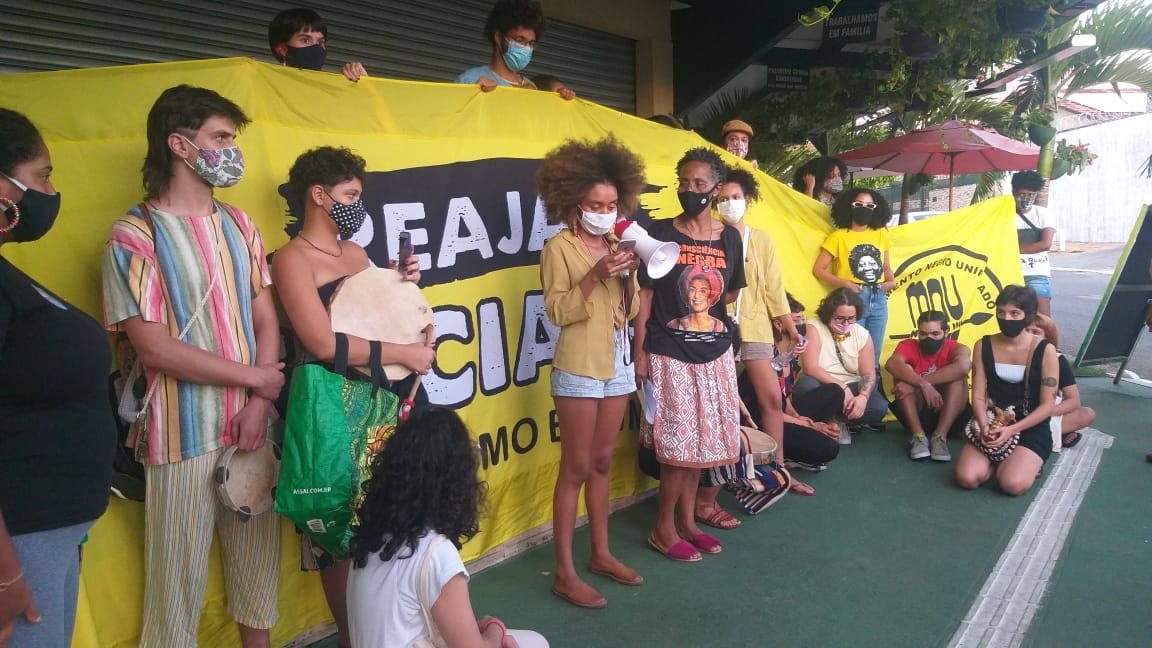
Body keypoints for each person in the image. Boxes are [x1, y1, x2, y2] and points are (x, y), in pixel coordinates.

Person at [101, 85, 285, 648]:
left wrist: (259, 406)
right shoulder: (133, 236)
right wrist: (259, 381)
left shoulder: (241, 224)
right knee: (174, 589)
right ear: (180, 145)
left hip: (252, 429)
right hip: (177, 436)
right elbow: (154, 349)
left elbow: (266, 320)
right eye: (221, 137)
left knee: (259, 569)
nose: (232, 150)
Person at [271, 146, 431, 647]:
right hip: (329, 408)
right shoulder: (290, 260)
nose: (356, 205)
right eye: (350, 195)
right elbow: (319, 343)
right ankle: (352, 637)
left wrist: (401, 287)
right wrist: (405, 348)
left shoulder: (358, 255)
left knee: (387, 520)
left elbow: (372, 317)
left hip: (381, 399)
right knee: (336, 531)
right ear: (318, 195)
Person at [0, 109, 116, 647]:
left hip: (47, 533)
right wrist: (6, 572)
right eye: (42, 175)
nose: (50, 192)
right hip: (19, 543)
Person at [536, 136, 644, 609]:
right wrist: (596, 273)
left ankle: (601, 554)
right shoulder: (558, 248)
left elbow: (633, 307)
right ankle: (564, 573)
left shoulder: (622, 243)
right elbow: (558, 311)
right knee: (576, 468)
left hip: (617, 365)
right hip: (578, 366)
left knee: (602, 463)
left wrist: (628, 274)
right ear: (574, 204)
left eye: (611, 203)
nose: (604, 210)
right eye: (595, 204)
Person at [348, 407, 548, 648]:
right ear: (455, 479)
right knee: (534, 643)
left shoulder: (374, 534)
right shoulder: (436, 552)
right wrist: (496, 627)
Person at [634, 147, 744, 559]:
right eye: (683, 183)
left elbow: (729, 292)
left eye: (699, 184)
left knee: (700, 445)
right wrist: (640, 348)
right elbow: (644, 294)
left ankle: (687, 522)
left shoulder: (729, 237)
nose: (689, 190)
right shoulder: (660, 233)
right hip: (668, 348)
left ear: (715, 188)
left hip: (715, 352)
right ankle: (662, 528)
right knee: (677, 447)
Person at [714, 168, 808, 492]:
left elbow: (774, 289)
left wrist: (791, 330)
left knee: (771, 399)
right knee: (721, 402)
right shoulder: (708, 237)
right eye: (722, 198)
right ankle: (726, 474)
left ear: (748, 200)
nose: (729, 203)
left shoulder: (761, 239)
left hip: (754, 328)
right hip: (715, 326)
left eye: (735, 197)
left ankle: (778, 473)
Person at [956, 285, 1059, 496]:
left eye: (1014, 313)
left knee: (1011, 485)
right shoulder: (983, 345)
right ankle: (1002, 459)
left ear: (1028, 316)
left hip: (1029, 425)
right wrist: (984, 425)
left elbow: (1048, 405)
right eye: (1001, 312)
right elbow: (977, 394)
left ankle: (1024, 463)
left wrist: (1012, 430)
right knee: (967, 478)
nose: (1006, 318)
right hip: (993, 420)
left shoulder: (1044, 349)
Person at [740, 294, 841, 475]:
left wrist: (798, 417)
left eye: (802, 319)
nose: (802, 326)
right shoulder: (762, 360)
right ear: (779, 324)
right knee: (829, 448)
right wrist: (810, 425)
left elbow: (783, 397)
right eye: (796, 320)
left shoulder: (792, 356)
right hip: (760, 423)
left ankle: (801, 442)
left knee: (834, 391)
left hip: (781, 414)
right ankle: (786, 456)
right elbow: (769, 409)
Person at [813, 188, 896, 384]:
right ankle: (849, 398)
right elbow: (819, 270)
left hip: (878, 297)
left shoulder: (881, 235)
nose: (864, 209)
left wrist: (890, 282)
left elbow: (886, 266)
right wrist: (845, 284)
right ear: (848, 206)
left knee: (873, 354)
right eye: (859, 204)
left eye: (869, 205)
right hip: (851, 299)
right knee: (851, 354)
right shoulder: (838, 237)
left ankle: (870, 403)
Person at [795, 287, 889, 441]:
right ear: (828, 314)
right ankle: (827, 422)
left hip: (850, 386)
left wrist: (863, 397)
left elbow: (868, 373)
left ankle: (840, 421)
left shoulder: (862, 334)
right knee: (806, 385)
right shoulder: (814, 326)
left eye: (851, 318)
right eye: (839, 318)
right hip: (822, 385)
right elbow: (810, 367)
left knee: (879, 407)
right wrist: (842, 388)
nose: (846, 323)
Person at [885, 311, 973, 462]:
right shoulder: (908, 345)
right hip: (918, 415)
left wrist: (920, 384)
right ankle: (918, 437)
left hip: (952, 416)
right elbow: (892, 364)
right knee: (902, 378)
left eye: (935, 333)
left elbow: (964, 367)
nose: (929, 338)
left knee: (958, 379)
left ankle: (940, 437)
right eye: (923, 334)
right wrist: (924, 385)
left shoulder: (958, 348)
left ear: (946, 332)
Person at [456, 0, 571, 101]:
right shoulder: (470, 80)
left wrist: (561, 102)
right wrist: (475, 95)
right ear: (498, 37)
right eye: (520, 40)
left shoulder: (532, 88)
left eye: (531, 43)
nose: (526, 48)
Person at [1024, 314, 1095, 449]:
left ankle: (1051, 432)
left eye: (1035, 332)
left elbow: (1073, 401)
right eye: (1026, 331)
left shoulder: (1057, 359)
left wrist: (1043, 414)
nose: (1029, 336)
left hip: (1046, 410)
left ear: (1048, 339)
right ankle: (1055, 434)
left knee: (1087, 414)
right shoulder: (1009, 354)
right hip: (1016, 410)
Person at [268, 8, 368, 82]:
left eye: (320, 42)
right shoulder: (265, 87)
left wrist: (363, 85)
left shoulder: (330, 92)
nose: (316, 47)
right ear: (282, 49)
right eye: (305, 40)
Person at [1010, 170, 1056, 317]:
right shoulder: (1005, 215)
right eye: (1022, 194)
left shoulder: (1043, 214)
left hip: (1036, 274)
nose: (1026, 198)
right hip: (1009, 274)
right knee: (1010, 319)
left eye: (1031, 194)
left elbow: (1045, 244)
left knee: (1043, 322)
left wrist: (1012, 250)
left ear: (1036, 194)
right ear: (1014, 192)